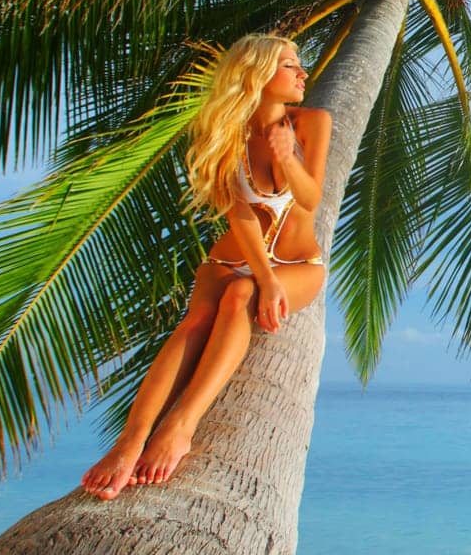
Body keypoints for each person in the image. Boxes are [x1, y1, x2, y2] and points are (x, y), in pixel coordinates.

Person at [80, 33, 332, 500]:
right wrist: (265, 275)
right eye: (289, 66)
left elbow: (311, 196)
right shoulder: (226, 133)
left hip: (301, 262)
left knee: (239, 297)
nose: (302, 73)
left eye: (300, 65)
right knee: (195, 319)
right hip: (237, 253)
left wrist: (285, 157)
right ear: (257, 75)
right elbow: (239, 213)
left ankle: (180, 425)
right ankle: (130, 441)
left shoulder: (312, 121)